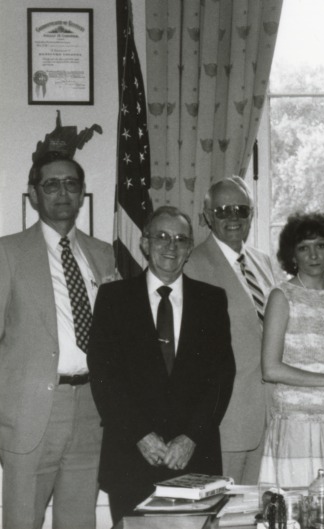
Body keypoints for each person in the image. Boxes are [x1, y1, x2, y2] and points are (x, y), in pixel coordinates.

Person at [88, 206, 235, 523]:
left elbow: (221, 378)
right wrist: (141, 435)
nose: (171, 246)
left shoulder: (212, 300)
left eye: (181, 239)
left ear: (190, 249)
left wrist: (190, 437)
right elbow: (104, 377)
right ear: (144, 243)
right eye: (162, 237)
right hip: (131, 454)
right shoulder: (114, 298)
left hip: (194, 456)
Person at [0, 151, 115, 529]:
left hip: (92, 410)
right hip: (31, 414)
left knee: (80, 520)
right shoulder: (7, 253)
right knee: (23, 519)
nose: (62, 192)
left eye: (71, 184)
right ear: (34, 195)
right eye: (51, 184)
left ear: (82, 194)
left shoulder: (102, 253)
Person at [184, 176, 278, 484]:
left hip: (271, 411)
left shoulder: (263, 262)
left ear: (252, 214)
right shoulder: (192, 265)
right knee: (222, 512)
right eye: (223, 210)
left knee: (257, 510)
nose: (233, 218)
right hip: (225, 417)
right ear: (208, 216)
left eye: (241, 209)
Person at [259, 212, 324, 487]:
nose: (313, 255)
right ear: (293, 255)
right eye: (304, 248)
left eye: (320, 246)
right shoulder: (282, 296)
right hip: (298, 424)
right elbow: (270, 368)